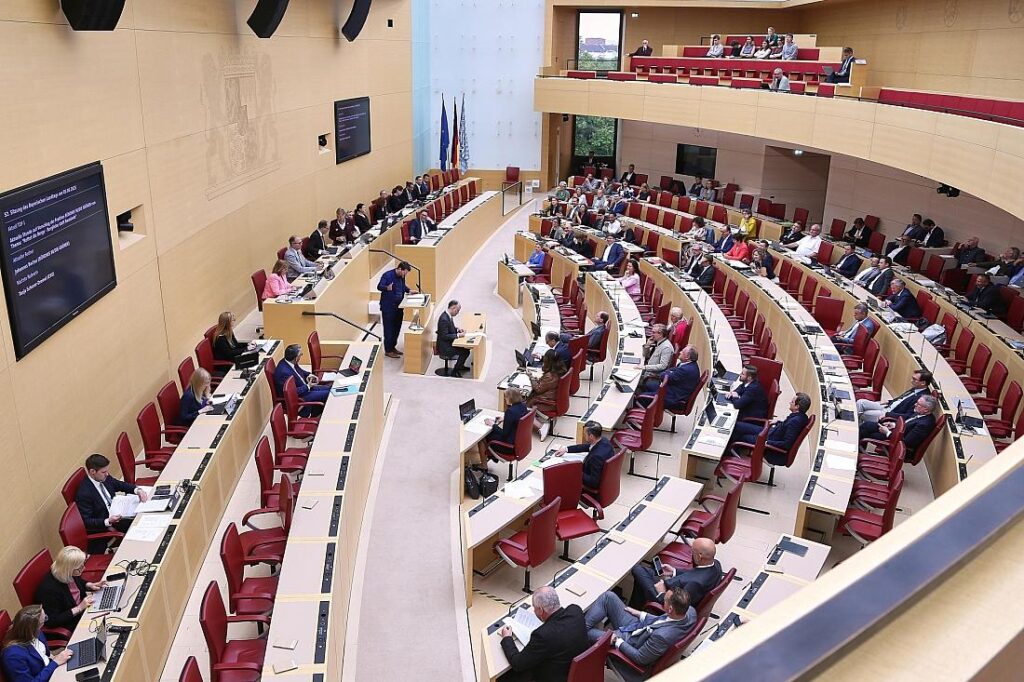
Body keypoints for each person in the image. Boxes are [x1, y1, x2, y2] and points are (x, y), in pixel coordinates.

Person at [585, 588, 695, 679]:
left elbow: (640, 658)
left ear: (670, 609)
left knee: (585, 631)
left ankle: (580, 633)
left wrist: (616, 640)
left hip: (630, 642)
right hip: (638, 627)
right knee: (609, 596)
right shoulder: (690, 612)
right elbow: (663, 620)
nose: (662, 601)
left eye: (665, 600)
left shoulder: (661, 637)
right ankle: (583, 628)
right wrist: (640, 614)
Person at [497, 586, 589, 682]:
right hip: (579, 671)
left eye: (534, 608)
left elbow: (518, 664)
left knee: (503, 678)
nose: (533, 611)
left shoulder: (543, 635)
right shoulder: (575, 610)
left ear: (541, 610)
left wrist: (507, 638)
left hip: (555, 676)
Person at [76, 453, 147, 552]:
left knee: (144, 516)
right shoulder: (84, 493)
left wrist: (137, 490)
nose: (107, 474)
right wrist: (108, 521)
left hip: (119, 511)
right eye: (103, 472)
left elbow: (118, 484)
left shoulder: (103, 477)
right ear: (92, 471)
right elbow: (87, 521)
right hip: (107, 523)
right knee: (140, 528)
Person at [629, 538, 723, 608]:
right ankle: (635, 605)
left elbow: (676, 608)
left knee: (637, 569)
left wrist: (661, 593)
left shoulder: (694, 585)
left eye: (692, 551)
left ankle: (635, 606)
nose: (690, 552)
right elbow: (695, 573)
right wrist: (674, 572)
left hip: (664, 597)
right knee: (645, 573)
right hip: (674, 586)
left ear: (699, 556)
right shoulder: (716, 564)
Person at [34, 547, 106, 634]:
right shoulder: (49, 590)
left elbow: (77, 581)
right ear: (69, 569)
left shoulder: (66, 572)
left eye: (83, 564)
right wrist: (79, 608)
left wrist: (89, 585)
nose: (83, 568)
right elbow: (52, 621)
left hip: (84, 610)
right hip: (72, 622)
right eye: (79, 567)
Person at [732, 393, 811, 464]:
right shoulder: (801, 417)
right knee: (738, 426)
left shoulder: (795, 422)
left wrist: (767, 442)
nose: (789, 402)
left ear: (797, 407)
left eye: (792, 402)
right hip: (770, 432)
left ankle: (731, 458)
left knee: (740, 436)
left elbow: (786, 444)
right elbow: (786, 427)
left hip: (768, 441)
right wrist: (778, 422)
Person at [1, 604, 75, 680]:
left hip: (50, 669)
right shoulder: (13, 656)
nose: (46, 620)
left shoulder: (35, 632)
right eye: (44, 620)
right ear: (33, 628)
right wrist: (55, 663)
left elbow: (46, 655)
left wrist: (56, 660)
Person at [859, 395, 938, 461]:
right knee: (867, 425)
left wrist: (887, 432)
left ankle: (858, 455)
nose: (915, 404)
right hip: (895, 432)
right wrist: (893, 424)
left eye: (918, 404)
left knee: (865, 432)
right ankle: (859, 453)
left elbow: (906, 443)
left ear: (926, 409)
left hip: (896, 443)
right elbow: (907, 423)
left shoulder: (924, 424)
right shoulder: (920, 413)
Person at [477, 387, 528, 469]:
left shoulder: (510, 411)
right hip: (518, 441)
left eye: (506, 397)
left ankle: (484, 465)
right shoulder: (523, 406)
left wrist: (493, 424)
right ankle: (492, 456)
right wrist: (505, 419)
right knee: (492, 432)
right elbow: (518, 418)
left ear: (510, 398)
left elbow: (504, 434)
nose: (505, 399)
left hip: (509, 445)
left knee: (483, 437)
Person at [555, 421, 614, 490]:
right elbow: (587, 447)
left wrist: (575, 471)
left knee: (561, 473)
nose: (583, 435)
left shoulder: (596, 457)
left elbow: (593, 482)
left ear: (591, 436)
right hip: (605, 477)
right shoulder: (604, 441)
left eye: (585, 434)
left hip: (591, 481)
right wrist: (566, 449)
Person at [857, 370, 932, 424]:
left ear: (923, 383)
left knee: (864, 414)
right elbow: (901, 399)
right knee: (861, 402)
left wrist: (887, 414)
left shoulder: (922, 399)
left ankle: (856, 432)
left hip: (891, 413)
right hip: (888, 406)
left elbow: (909, 416)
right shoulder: (917, 388)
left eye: (914, 379)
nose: (911, 380)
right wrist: (889, 402)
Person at [274, 343, 330, 413]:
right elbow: (292, 392)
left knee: (331, 388)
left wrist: (309, 375)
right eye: (300, 354)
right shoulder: (284, 373)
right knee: (329, 394)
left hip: (305, 389)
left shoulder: (289, 361)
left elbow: (300, 371)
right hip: (301, 397)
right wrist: (308, 386)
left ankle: (317, 412)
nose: (301, 356)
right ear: (296, 358)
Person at [528, 350, 568, 440]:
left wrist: (531, 377)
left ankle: (541, 426)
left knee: (521, 409)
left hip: (547, 403)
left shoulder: (550, 376)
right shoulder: (560, 370)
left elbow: (538, 389)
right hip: (552, 399)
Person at [377, 261, 412, 358]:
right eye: (404, 272)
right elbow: (379, 286)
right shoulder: (387, 275)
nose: (405, 275)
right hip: (388, 307)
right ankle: (388, 350)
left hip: (399, 306)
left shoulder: (402, 276)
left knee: (397, 328)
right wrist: (386, 288)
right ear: (400, 269)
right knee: (389, 329)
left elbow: (402, 286)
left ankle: (393, 347)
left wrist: (409, 290)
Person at [437, 300, 470, 377]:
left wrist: (457, 329)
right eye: (457, 310)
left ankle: (460, 365)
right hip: (445, 347)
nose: (458, 312)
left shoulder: (447, 315)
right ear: (453, 307)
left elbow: (449, 328)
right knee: (465, 352)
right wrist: (458, 335)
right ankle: (454, 371)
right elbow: (445, 336)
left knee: (466, 349)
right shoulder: (444, 319)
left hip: (448, 343)